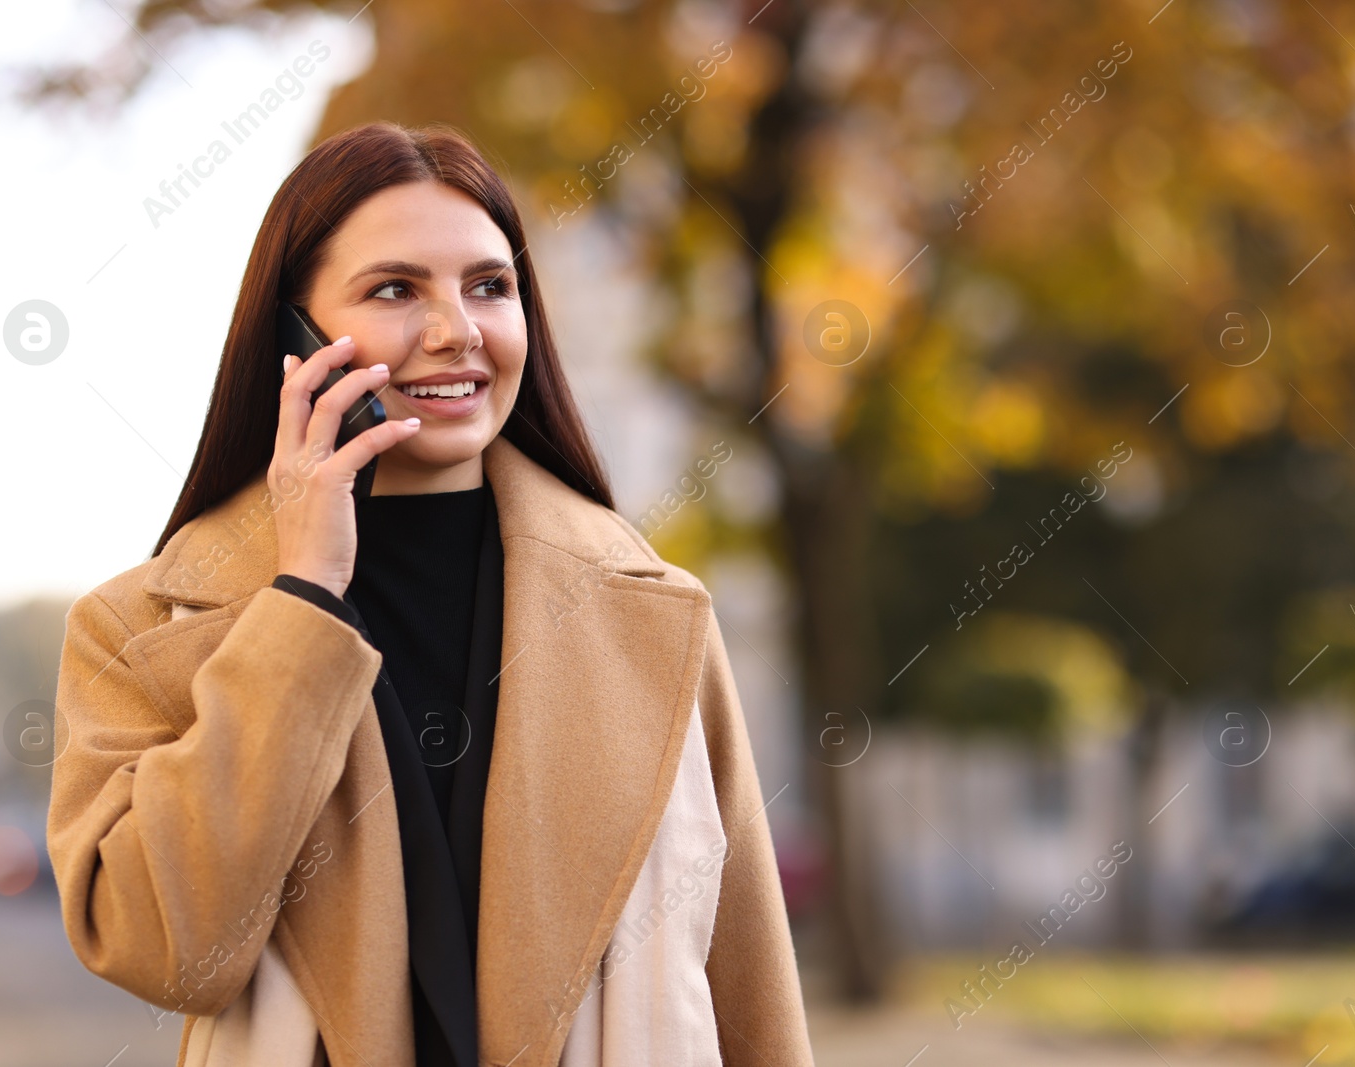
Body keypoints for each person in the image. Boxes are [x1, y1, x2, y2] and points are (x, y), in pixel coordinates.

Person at [46, 121, 813, 1067]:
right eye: (395, 288)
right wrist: (302, 599)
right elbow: (161, 944)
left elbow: (749, 990)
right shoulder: (141, 627)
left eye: (490, 286)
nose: (457, 330)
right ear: (295, 335)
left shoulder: (654, 612)